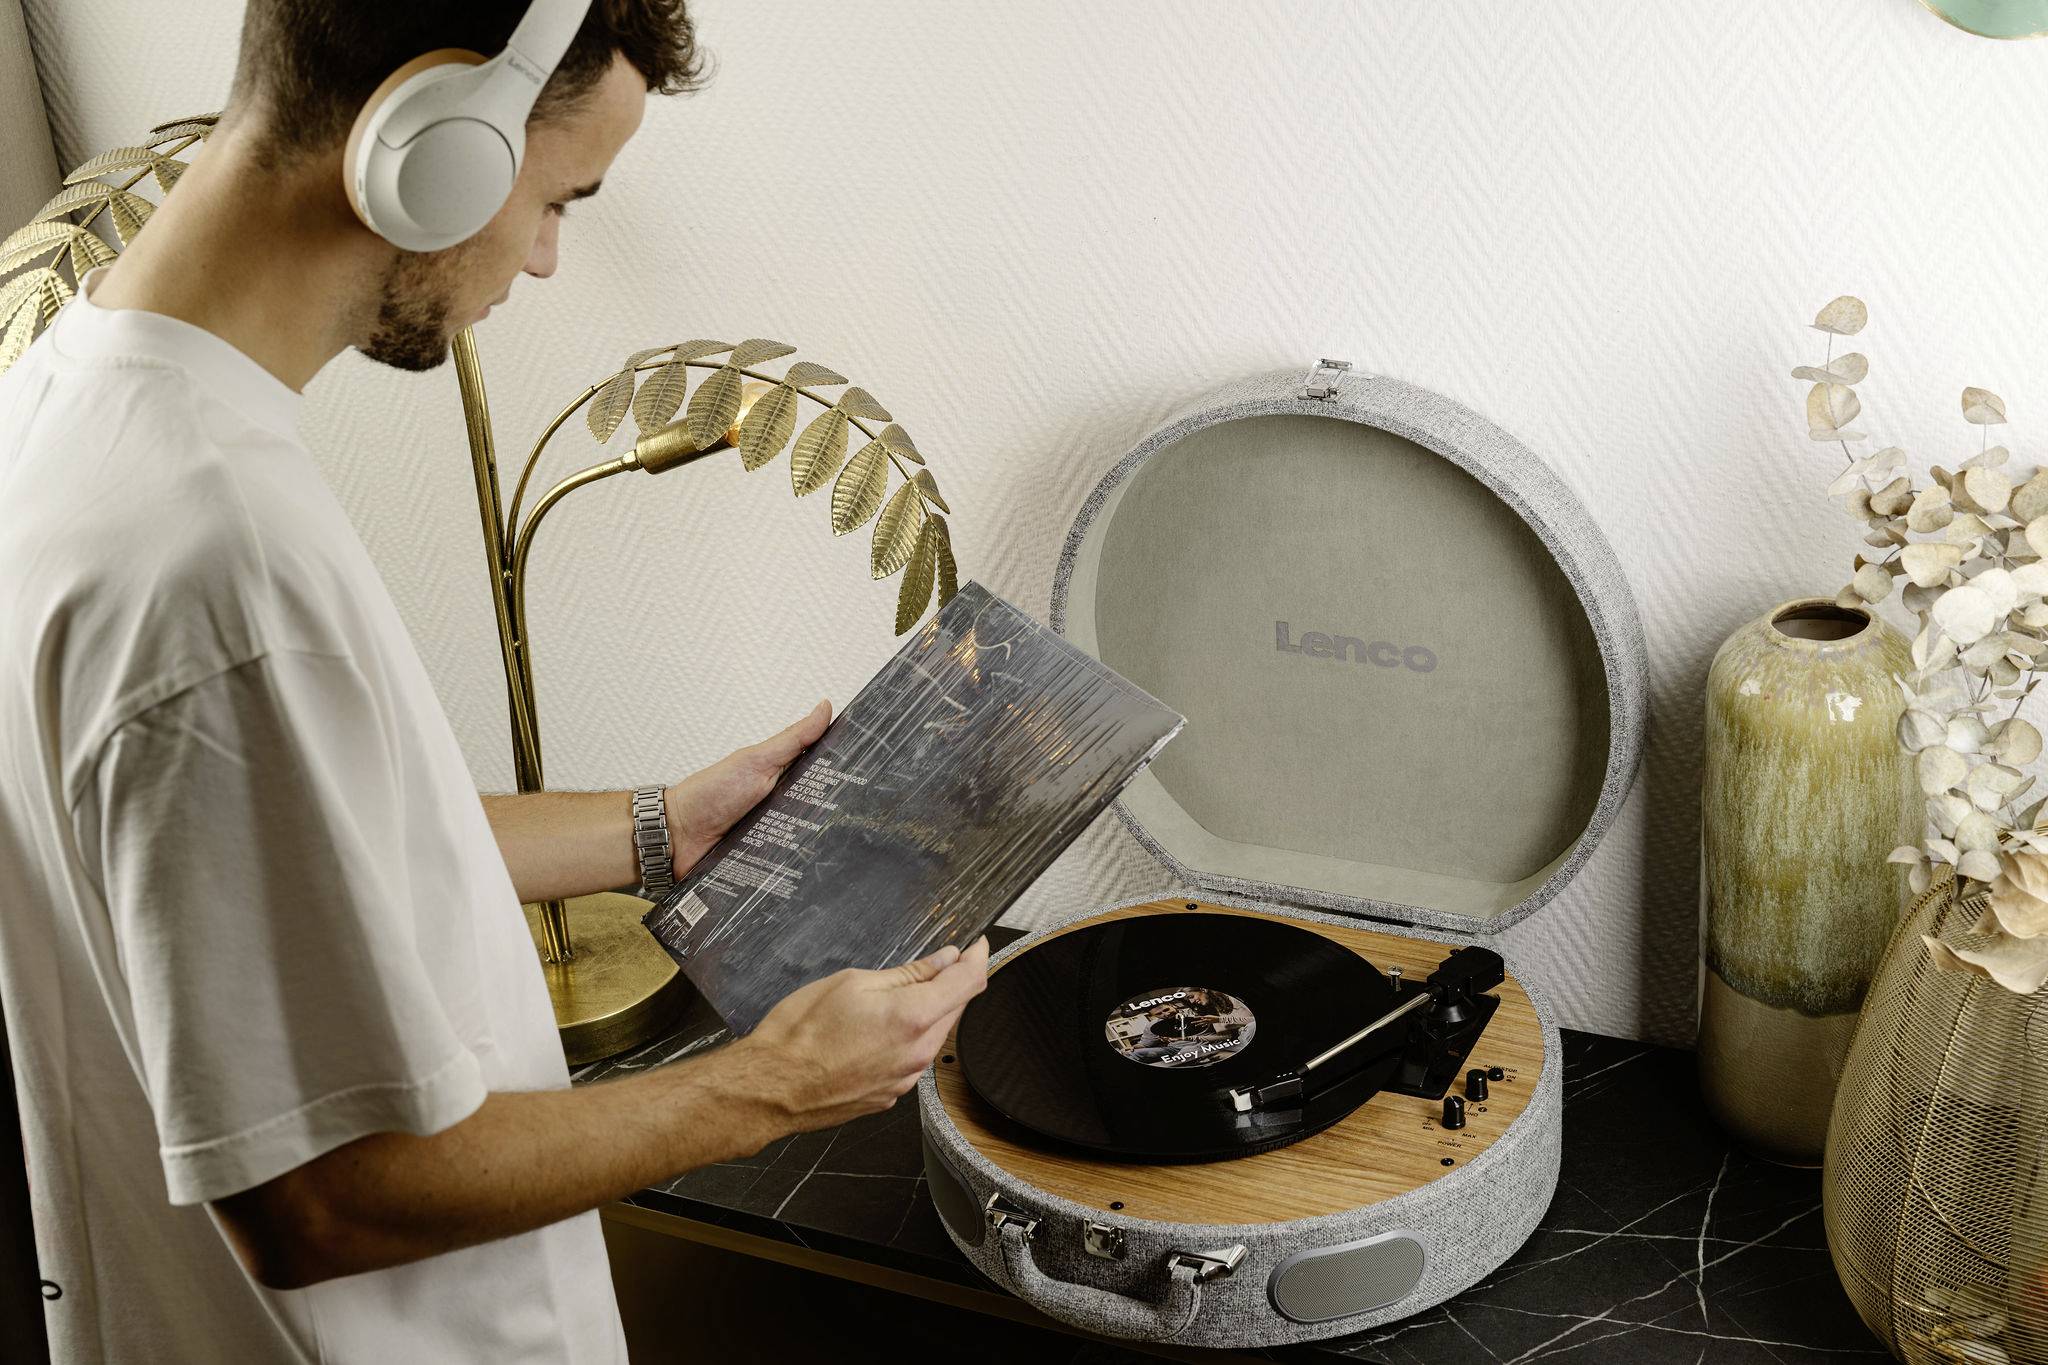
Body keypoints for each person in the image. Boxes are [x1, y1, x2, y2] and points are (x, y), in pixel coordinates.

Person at [0, 2, 988, 1360]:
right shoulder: (211, 558)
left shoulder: (64, 408)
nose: (541, 256)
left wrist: (657, 826)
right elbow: (324, 1198)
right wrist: (772, 1085)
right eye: (558, 196)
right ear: (437, 140)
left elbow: (290, 860)